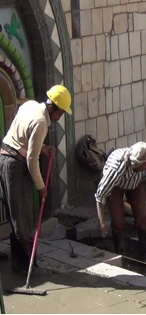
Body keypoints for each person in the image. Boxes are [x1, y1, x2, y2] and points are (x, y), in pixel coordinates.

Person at [0, 85, 72, 273]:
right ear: (52, 108)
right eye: (61, 113)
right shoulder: (41, 122)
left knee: (17, 214)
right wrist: (41, 187)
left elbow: (24, 136)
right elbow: (32, 161)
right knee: (22, 216)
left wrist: (43, 148)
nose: (60, 117)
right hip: (15, 164)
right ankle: (26, 266)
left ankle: (19, 263)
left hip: (7, 156)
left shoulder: (30, 105)